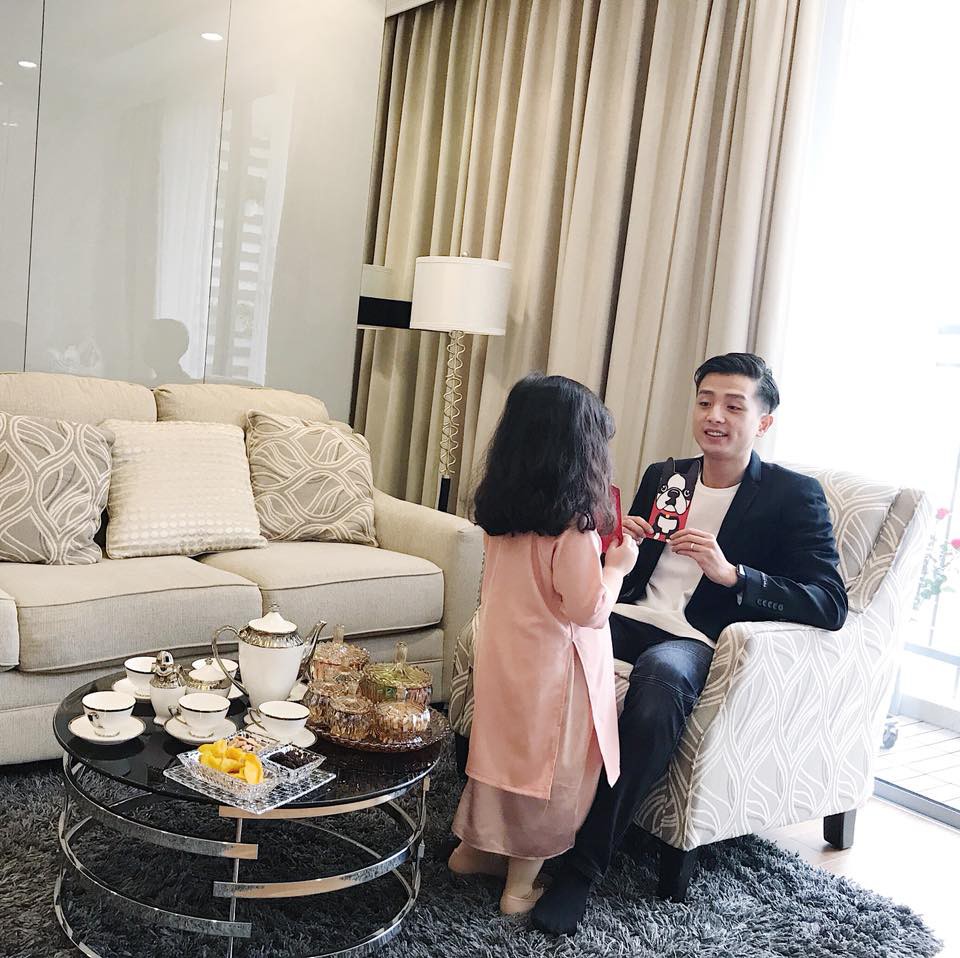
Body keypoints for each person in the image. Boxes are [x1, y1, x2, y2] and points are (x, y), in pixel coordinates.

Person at [532, 352, 848, 934]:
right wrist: (618, 540)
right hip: (629, 613)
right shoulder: (666, 474)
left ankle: (581, 871)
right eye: (705, 402)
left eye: (733, 406)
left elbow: (830, 603)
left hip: (697, 637)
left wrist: (735, 576)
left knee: (660, 682)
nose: (714, 416)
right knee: (536, 634)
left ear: (764, 421)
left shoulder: (792, 495)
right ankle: (508, 825)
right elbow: (623, 563)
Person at [448, 373, 639, 915]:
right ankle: (519, 888)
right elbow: (588, 609)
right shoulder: (572, 531)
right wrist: (617, 568)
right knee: (549, 773)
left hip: (504, 655)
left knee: (500, 757)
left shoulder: (503, 517)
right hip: (555, 671)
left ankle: (472, 851)